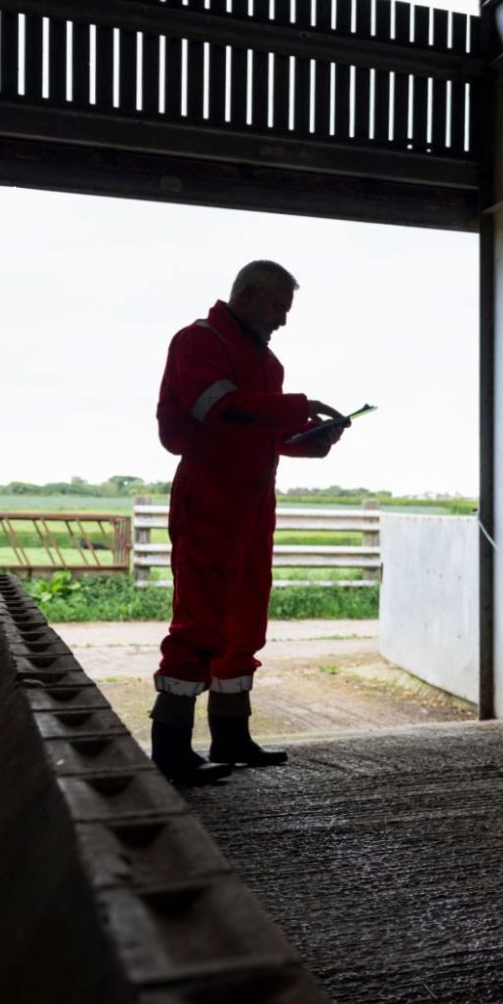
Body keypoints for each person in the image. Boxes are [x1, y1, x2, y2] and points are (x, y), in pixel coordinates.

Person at [149, 260, 348, 785]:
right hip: (210, 496)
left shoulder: (267, 361)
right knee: (200, 619)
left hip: (254, 503)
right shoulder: (198, 341)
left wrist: (314, 439)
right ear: (250, 294)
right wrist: (299, 408)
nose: (283, 319)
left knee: (246, 619)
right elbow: (220, 410)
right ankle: (170, 745)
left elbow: (262, 429)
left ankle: (231, 735)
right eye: (278, 306)